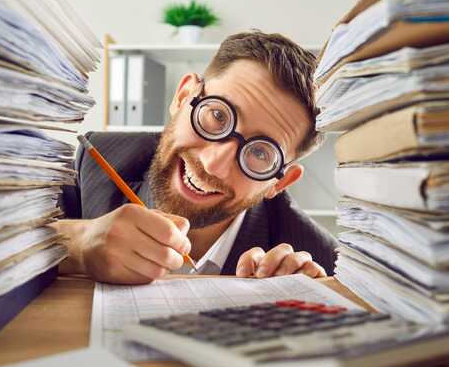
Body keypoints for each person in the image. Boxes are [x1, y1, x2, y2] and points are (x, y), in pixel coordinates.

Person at [52, 31, 337, 284]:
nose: (214, 164)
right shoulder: (100, 159)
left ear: (281, 182)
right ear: (183, 96)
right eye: (217, 115)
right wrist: (77, 243)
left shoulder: (321, 261)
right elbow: (11, 244)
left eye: (261, 152)